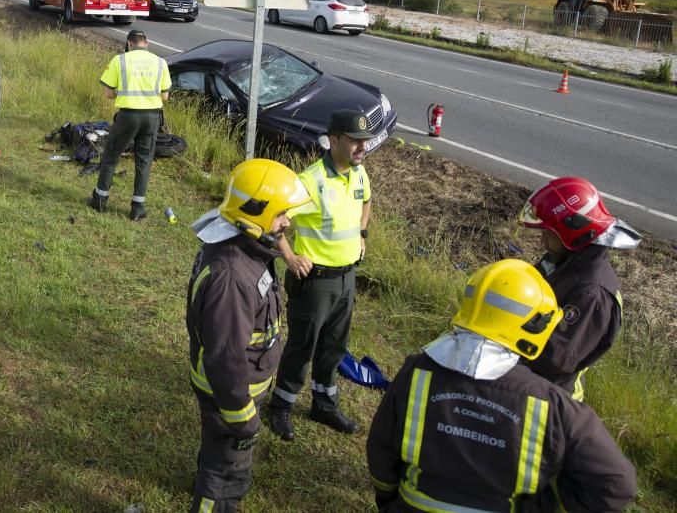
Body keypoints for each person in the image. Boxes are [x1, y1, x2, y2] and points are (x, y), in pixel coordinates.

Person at [366, 259, 638, 513]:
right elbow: (617, 484)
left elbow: (381, 450)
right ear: (536, 326)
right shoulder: (552, 404)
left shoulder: (417, 371)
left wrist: (389, 500)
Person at [185, 159, 313, 512]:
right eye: (281, 214)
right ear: (256, 212)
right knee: (225, 473)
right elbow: (225, 357)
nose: (287, 221)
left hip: (237, 390)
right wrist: (242, 416)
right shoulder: (231, 277)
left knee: (218, 453)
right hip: (230, 397)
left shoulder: (248, 247)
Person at [268, 109, 373, 441]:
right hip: (314, 283)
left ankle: (324, 405)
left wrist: (362, 234)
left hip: (346, 279)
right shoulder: (311, 180)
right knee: (303, 346)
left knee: (334, 346)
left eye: (365, 141)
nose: (361, 147)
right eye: (355, 141)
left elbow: (367, 201)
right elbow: (274, 215)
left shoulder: (358, 174)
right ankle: (280, 407)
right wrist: (288, 255)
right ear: (334, 140)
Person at [518, 176, 641, 401]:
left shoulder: (592, 293)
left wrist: (510, 330)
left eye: (548, 233)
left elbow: (559, 357)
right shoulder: (563, 260)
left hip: (552, 397)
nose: (543, 241)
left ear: (572, 231)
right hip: (527, 380)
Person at [87, 29, 171, 220]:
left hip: (128, 117)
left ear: (128, 43)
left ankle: (100, 200)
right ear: (146, 42)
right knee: (144, 161)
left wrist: (124, 93)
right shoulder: (160, 62)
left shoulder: (120, 60)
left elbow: (108, 94)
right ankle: (137, 208)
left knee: (111, 156)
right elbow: (165, 97)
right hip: (151, 118)